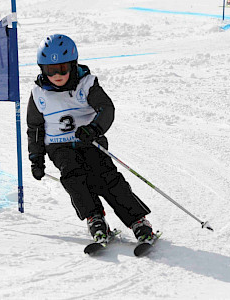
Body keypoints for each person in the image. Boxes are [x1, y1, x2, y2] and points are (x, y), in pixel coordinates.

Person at [27, 34, 154, 243]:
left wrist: (94, 128)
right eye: (51, 70)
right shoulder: (39, 94)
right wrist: (36, 158)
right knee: (73, 178)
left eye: (63, 68)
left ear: (73, 65)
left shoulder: (86, 84)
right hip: (59, 146)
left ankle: (138, 221)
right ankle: (94, 217)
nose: (57, 75)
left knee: (106, 178)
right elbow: (35, 129)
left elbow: (106, 109)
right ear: (42, 69)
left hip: (89, 140)